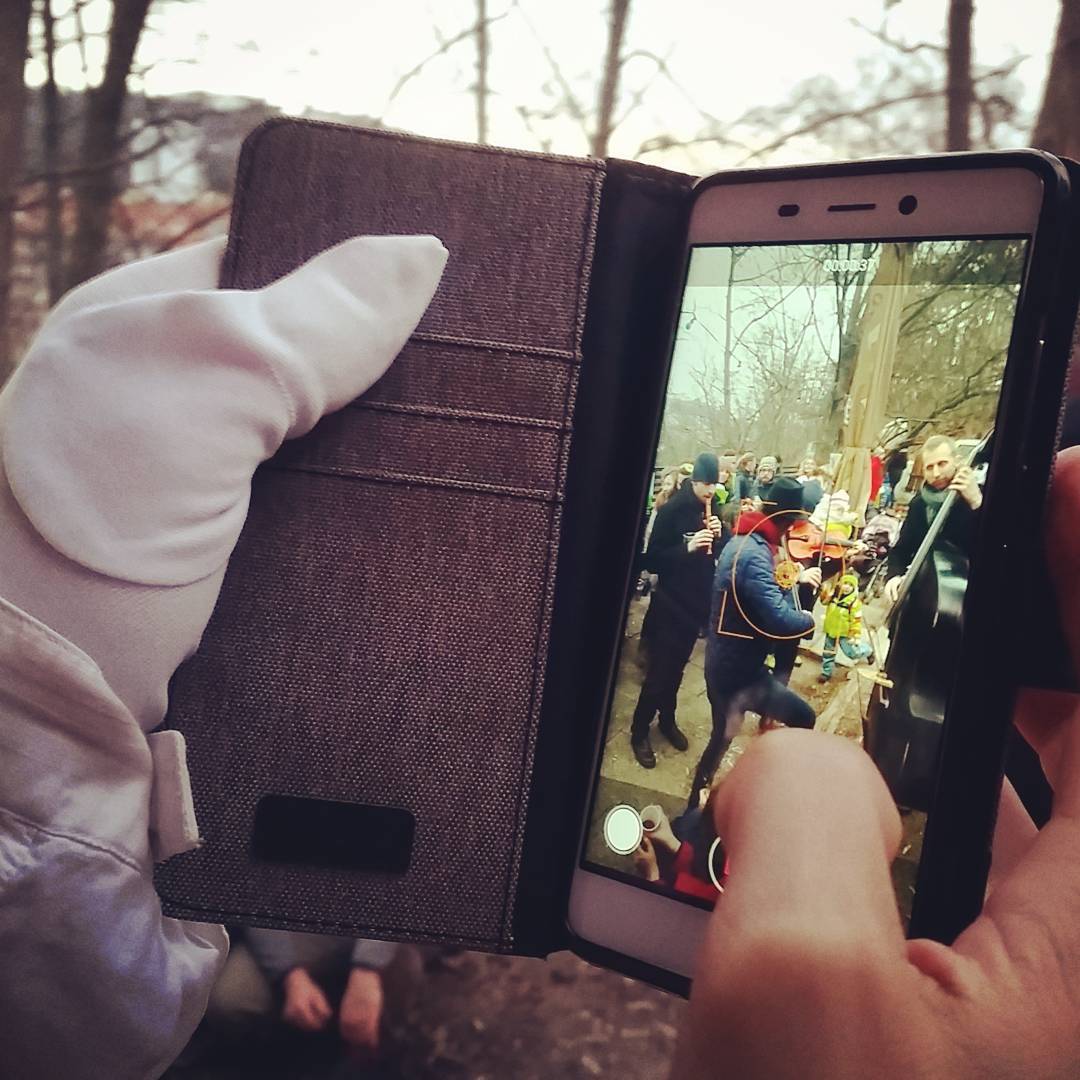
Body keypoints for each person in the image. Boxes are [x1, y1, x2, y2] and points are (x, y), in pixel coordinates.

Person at [6, 244, 1080, 1080]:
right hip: (697, 652)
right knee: (693, 724)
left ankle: (683, 781)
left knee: (676, 721)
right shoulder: (725, 536)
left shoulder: (742, 535)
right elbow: (730, 595)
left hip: (688, 653)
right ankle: (693, 797)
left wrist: (38, 777)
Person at [689, 476, 821, 802]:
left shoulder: (748, 540)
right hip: (739, 675)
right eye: (793, 523)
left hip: (724, 663)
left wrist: (796, 580)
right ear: (786, 520)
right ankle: (770, 782)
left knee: (720, 737)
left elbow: (764, 589)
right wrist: (808, 620)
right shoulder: (754, 554)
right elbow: (780, 619)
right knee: (804, 718)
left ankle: (695, 801)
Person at [630, 452, 726, 768]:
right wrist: (687, 547)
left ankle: (666, 720)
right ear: (694, 481)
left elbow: (719, 553)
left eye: (715, 483)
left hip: (695, 607)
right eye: (706, 483)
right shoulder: (671, 510)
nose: (711, 490)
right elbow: (651, 560)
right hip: (670, 606)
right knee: (659, 673)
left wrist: (720, 534)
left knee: (678, 671)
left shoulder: (712, 508)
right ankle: (638, 731)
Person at [206, 927, 410, 1058]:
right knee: (230, 998)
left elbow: (402, 889)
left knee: (405, 972)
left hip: (376, 928)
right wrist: (290, 976)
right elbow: (253, 889)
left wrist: (368, 968)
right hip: (295, 927)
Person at [884, 434, 982, 602]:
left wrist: (976, 502)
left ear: (957, 461)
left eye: (942, 464)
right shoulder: (919, 503)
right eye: (929, 467)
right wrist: (893, 576)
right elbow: (901, 549)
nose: (936, 473)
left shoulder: (979, 494)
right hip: (926, 593)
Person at [818, 570, 874, 682]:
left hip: (845, 633)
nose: (847, 587)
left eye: (850, 585)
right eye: (845, 583)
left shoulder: (854, 602)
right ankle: (826, 672)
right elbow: (823, 602)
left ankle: (868, 651)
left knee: (852, 653)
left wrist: (855, 635)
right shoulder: (834, 597)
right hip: (831, 630)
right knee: (828, 652)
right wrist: (826, 593)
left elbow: (856, 620)